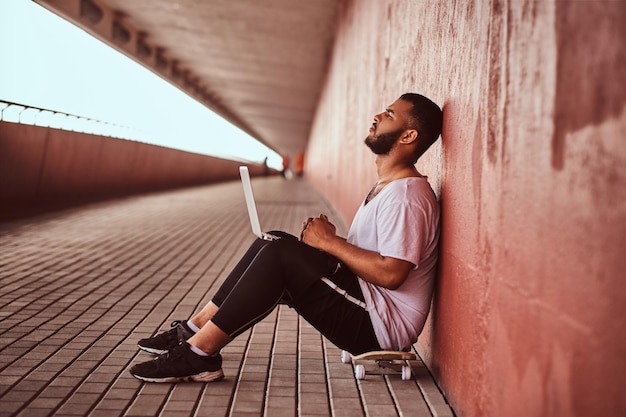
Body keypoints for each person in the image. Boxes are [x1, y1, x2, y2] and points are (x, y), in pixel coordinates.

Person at [129, 93, 443, 383]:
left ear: (408, 135)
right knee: (275, 240)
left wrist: (329, 244)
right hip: (370, 305)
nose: (377, 115)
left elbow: (391, 274)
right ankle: (193, 330)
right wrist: (325, 245)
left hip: (380, 327)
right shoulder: (389, 186)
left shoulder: (407, 196)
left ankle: (199, 355)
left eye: (389, 114)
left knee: (282, 256)